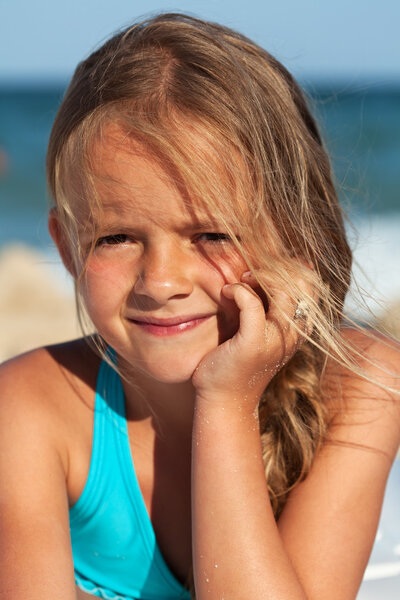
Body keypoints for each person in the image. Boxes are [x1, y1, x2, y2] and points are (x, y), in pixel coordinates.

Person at [0, 13, 399, 600]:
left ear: (299, 236)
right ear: (67, 247)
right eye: (116, 238)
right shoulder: (28, 410)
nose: (161, 282)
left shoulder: (362, 385)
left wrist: (227, 401)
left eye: (213, 235)